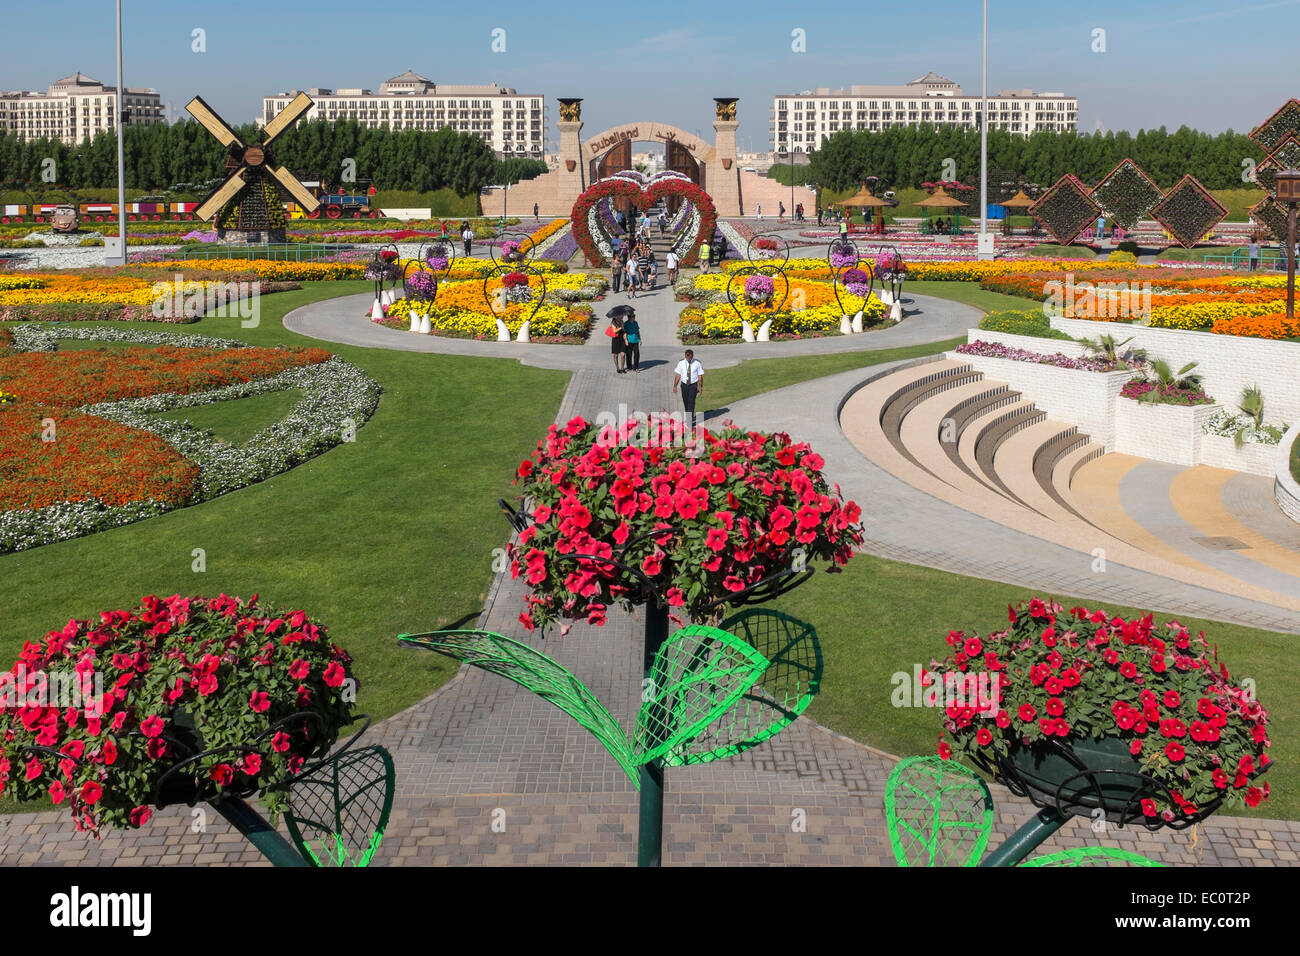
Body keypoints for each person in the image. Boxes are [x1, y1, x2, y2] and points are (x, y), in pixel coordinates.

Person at [673, 348, 704, 431]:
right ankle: (688, 418)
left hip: (693, 386)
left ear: (692, 356)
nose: (688, 359)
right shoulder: (681, 363)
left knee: (691, 402)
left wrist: (700, 387)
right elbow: (678, 375)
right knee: (686, 402)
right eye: (687, 358)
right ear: (685, 356)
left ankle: (689, 423)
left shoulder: (697, 363)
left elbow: (700, 376)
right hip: (684, 386)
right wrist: (675, 386)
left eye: (690, 358)